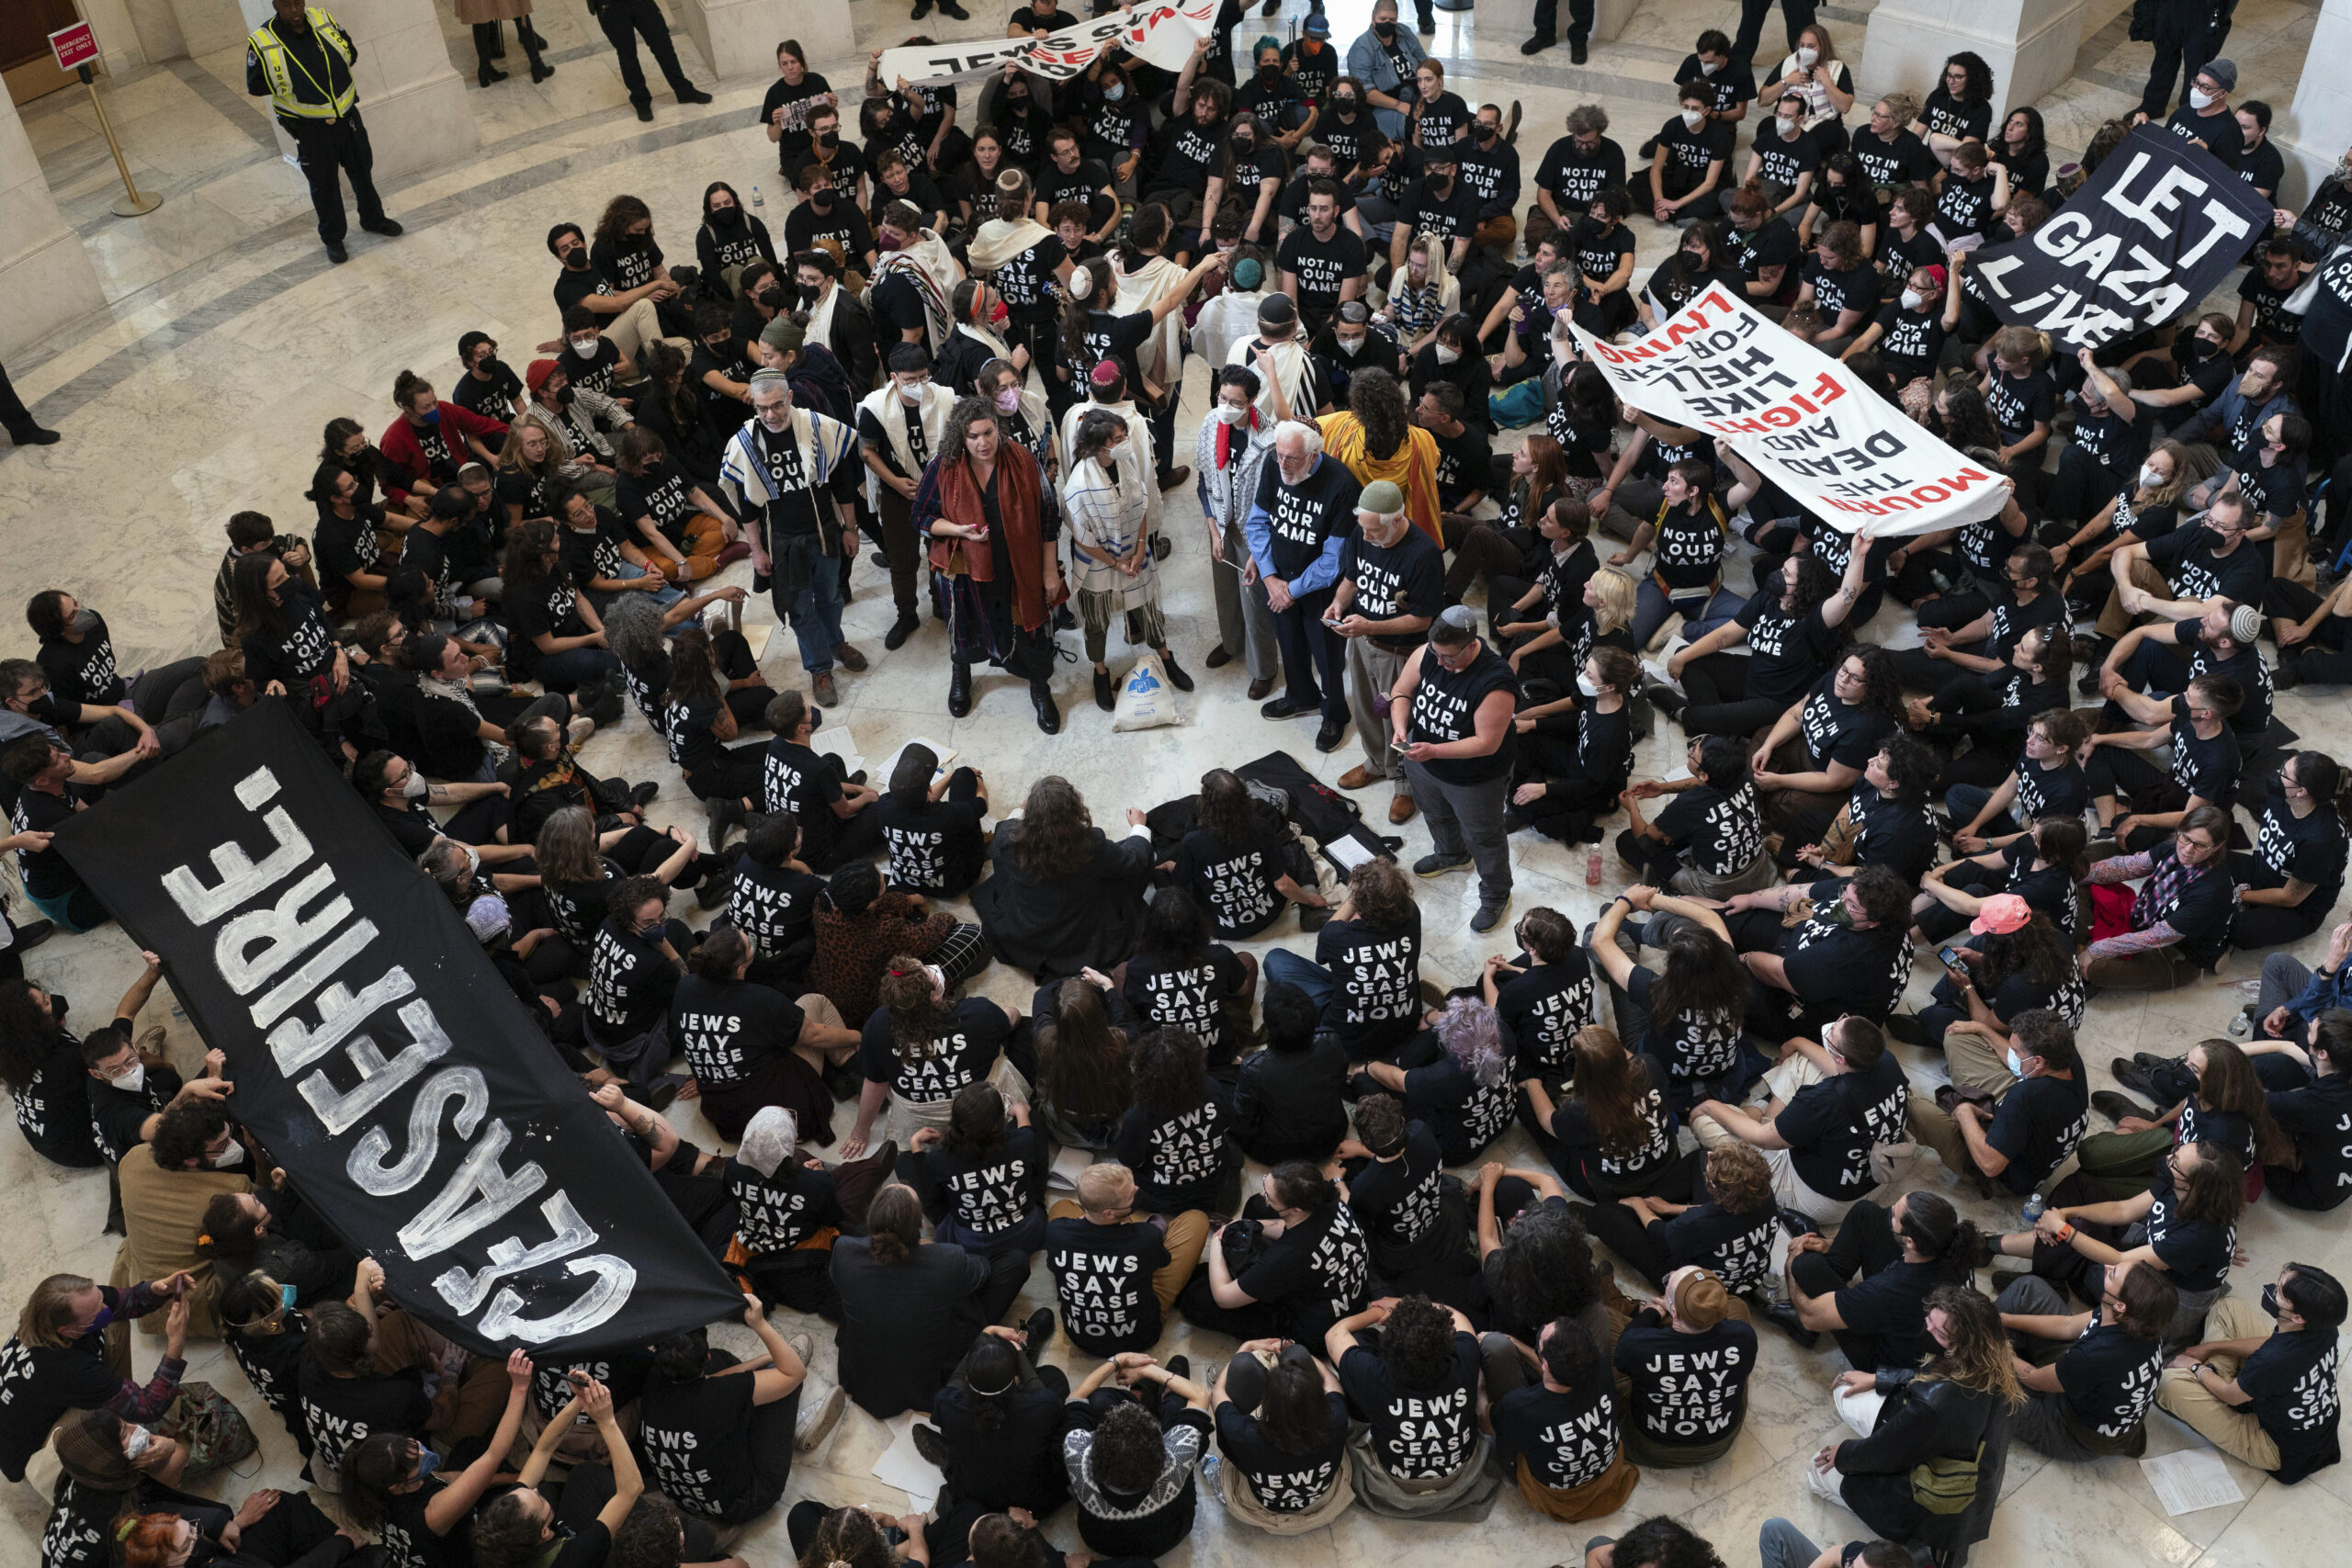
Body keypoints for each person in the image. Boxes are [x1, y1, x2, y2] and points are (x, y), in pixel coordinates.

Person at [1804, 1286, 2019, 1561]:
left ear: (1962, 1345)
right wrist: (1879, 1378)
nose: (1928, 1330)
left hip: (1926, 1498)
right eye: (1930, 1319)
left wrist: (1844, 1454)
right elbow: (1932, 1378)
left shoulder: (1935, 1406)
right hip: (1969, 1476)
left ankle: (1901, 1540)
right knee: (1852, 1395)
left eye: (1940, 1333)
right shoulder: (1993, 1362)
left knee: (1817, 1468)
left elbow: (1885, 1453)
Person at [1985, 1140, 2244, 1350]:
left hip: (2168, 1299)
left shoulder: (2196, 1234)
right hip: (2151, 1248)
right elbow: (2124, 1210)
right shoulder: (2181, 1186)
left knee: (2088, 1259)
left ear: (2192, 1186)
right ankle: (2014, 1255)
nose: (2168, 1159)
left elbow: (2119, 1260)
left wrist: (2062, 1229)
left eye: (2175, 1161)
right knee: (2082, 1196)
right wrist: (2064, 1213)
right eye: (2176, 1151)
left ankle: (1991, 1247)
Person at [916, 397, 1067, 731]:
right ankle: (962, 674)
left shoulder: (1022, 460)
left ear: (998, 429)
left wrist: (1047, 571)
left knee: (1031, 630)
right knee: (966, 627)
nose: (982, 443)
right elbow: (921, 517)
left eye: (988, 433)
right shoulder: (944, 464)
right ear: (961, 437)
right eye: (973, 436)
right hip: (966, 570)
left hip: (1018, 566)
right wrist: (959, 532)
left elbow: (1048, 516)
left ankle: (1039, 687)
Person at [720, 372, 867, 708]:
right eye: (762, 409)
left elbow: (843, 484)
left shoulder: (819, 428)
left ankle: (835, 641)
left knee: (831, 597)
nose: (770, 415)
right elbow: (748, 506)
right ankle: (819, 668)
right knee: (800, 608)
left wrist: (851, 528)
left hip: (824, 531)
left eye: (776, 405)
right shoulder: (745, 444)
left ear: (789, 398)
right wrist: (756, 551)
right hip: (783, 541)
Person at [832, 1184, 1032, 1418]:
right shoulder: (947, 1258)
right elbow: (984, 1270)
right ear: (920, 1225)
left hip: (863, 1375)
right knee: (1015, 1262)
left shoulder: (843, 1250)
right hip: (931, 1373)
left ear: (871, 1221)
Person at [1691, 1012, 1911, 1224]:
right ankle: (1772, 1118)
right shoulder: (1886, 1061)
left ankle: (1766, 1115)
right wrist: (1797, 1042)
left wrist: (1710, 1106)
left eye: (1834, 1031)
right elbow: (1837, 1071)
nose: (1832, 1026)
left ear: (1842, 1058)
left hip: (1822, 1199)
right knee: (1802, 1061)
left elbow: (1759, 1137)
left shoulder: (1822, 1100)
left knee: (1706, 1122)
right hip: (1874, 1177)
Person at [1389, 605, 1521, 932]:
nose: (1439, 663)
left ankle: (1495, 894)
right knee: (1435, 815)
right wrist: (1400, 726)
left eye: (1448, 657)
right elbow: (1401, 691)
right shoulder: (1428, 654)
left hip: (1475, 779)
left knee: (1484, 836)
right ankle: (1451, 855)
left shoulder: (1496, 681)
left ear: (1472, 645)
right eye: (1436, 654)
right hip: (1424, 763)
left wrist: (1433, 750)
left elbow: (1486, 742)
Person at [637, 1295, 820, 1527]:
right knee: (784, 1384)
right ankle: (795, 1423)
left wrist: (761, 1362)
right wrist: (760, 1325)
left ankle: (766, 1385)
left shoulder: (653, 1378)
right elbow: (795, 1372)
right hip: (744, 1502)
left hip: (681, 1499)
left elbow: (713, 1382)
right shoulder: (724, 1394)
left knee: (725, 1361)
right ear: (706, 1356)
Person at [243, 2, 402, 264]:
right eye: (287, 5)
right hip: (311, 128)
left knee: (362, 169)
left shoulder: (320, 19)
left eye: (298, 3)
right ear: (275, 6)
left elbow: (349, 50)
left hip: (347, 117)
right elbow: (255, 85)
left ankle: (374, 219)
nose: (295, 10)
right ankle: (333, 239)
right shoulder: (263, 41)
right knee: (324, 184)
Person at [2155, 1261, 2344, 1482]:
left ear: (2298, 1318)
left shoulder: (2273, 1361)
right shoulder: (2325, 1330)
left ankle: (2213, 1379)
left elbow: (2232, 1396)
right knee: (2227, 1308)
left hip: (2277, 1448)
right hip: (2310, 1429)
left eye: (2280, 1292)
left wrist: (2195, 1367)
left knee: (2166, 1384)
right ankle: (2217, 1374)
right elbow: (2270, 1344)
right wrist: (2210, 1347)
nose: (2274, 1290)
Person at [0, 1271, 194, 1483]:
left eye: (100, 1301)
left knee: (115, 1325)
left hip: (39, 1403)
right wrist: (176, 1342)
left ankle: (119, 1402)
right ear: (67, 1329)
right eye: (95, 1313)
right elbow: (150, 1407)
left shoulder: (47, 1314)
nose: (106, 1309)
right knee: (147, 1452)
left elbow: (125, 1300)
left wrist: (156, 1290)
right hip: (34, 1449)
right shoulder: (66, 1368)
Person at [1246, 419, 1364, 752]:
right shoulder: (1274, 466)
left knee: (1327, 654)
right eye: (1279, 455)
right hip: (1279, 579)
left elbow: (1333, 560)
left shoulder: (1341, 484)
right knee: (1290, 643)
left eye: (1292, 458)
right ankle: (1300, 696)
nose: (1283, 465)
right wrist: (1270, 578)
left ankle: (1335, 712)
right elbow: (1257, 522)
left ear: (1313, 455)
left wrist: (1291, 591)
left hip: (1321, 589)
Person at [1330, 480, 1443, 827]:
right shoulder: (1361, 533)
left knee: (1401, 720)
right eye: (1363, 528)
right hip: (1363, 640)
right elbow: (1353, 578)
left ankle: (1406, 784)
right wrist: (1338, 603)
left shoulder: (1424, 553)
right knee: (1365, 707)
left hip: (1401, 652)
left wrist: (1369, 627)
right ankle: (1376, 763)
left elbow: (1422, 618)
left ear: (1398, 519)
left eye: (1374, 530)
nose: (1366, 538)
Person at [1064, 410, 1190, 708]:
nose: (1125, 443)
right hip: (1098, 560)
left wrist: (1141, 546)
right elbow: (1083, 537)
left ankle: (1165, 656)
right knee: (1097, 618)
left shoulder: (1125, 462)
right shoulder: (1080, 483)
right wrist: (1115, 562)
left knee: (1148, 606)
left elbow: (1141, 504)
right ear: (1098, 447)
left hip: (1134, 549)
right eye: (1118, 439)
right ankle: (1100, 670)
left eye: (1124, 437)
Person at [1329, 1293, 1497, 1517]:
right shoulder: (1465, 1357)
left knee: (1360, 1341)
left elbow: (1336, 1333)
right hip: (1460, 1473)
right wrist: (1401, 1304)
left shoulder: (1372, 1376)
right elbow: (1457, 1315)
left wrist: (1379, 1312)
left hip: (1394, 1481)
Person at [971, 776, 1154, 981]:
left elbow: (1005, 831)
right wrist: (1139, 828)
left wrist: (1021, 810)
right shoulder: (1090, 843)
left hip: (1024, 931)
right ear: (1075, 809)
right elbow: (1134, 861)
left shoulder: (1008, 836)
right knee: (1122, 871)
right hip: (1078, 935)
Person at [1995, 1256, 2175, 1461]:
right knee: (2028, 1288)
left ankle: (1974, 1339)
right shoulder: (2138, 1320)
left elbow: (2035, 1379)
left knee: (1988, 1382)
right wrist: (2004, 1319)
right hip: (2085, 1389)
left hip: (2072, 1432)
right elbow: (2067, 1326)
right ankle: (1994, 1334)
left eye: (2112, 1274)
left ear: (2120, 1305)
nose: (2107, 1267)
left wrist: (1997, 1348)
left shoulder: (2097, 1356)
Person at [1772, 1190, 1979, 1365]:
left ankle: (1810, 1316)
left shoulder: (1887, 1290)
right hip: (1903, 1315)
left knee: (1805, 1265)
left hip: (1878, 1357)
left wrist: (1792, 1261)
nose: (1889, 1211)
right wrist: (1832, 1244)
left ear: (1910, 1243)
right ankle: (1832, 1284)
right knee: (1867, 1213)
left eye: (1894, 1215)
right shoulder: (1948, 1245)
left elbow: (1811, 1319)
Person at [1907, 1005, 2090, 1199]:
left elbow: (1990, 1166)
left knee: (1915, 1110)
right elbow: (2021, 1068)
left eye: (2016, 1051)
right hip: (2025, 1130)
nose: (2011, 1052)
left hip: (2000, 1176)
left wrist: (1965, 1112)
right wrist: (1982, 1029)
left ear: (2038, 1061)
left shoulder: (2025, 1097)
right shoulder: (2065, 1057)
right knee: (1956, 1035)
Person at [847, 962, 1024, 1158]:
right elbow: (1011, 1020)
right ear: (934, 996)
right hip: (979, 1108)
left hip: (918, 1123)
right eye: (927, 971)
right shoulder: (979, 1013)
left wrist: (860, 1131)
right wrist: (1012, 1011)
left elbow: (875, 1083)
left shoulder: (877, 1025)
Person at [1262, 857, 1422, 1061]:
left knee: (1275, 959)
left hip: (1348, 1042)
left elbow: (1322, 954)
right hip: (1405, 1032)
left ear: (1359, 904)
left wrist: (1354, 897)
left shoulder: (1335, 935)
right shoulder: (1412, 914)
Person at [1058, 1352, 1215, 1559]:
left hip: (1101, 1543)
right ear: (1162, 1455)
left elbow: (1075, 1397)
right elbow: (1200, 1395)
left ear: (1094, 1450)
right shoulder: (1176, 1461)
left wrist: (1117, 1360)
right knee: (1178, 1402)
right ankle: (1158, 1398)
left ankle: (1141, 1399)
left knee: (1099, 1399)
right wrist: (1146, 1369)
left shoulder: (1077, 1456)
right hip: (1169, 1536)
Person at [1044, 1162, 1207, 1359]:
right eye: (1131, 1195)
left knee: (1061, 1206)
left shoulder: (1057, 1232)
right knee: (1197, 1219)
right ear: (1109, 1213)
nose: (1138, 1191)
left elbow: (1054, 1265)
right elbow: (1162, 1262)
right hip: (1140, 1337)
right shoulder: (1147, 1237)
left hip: (1080, 1337)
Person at [1480, 1315, 1638, 1519]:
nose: (1544, 1326)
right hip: (1606, 1473)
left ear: (1545, 1364)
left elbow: (1486, 1426)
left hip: (1555, 1495)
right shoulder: (1599, 1365)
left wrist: (1480, 1385)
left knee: (1495, 1350)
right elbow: (1557, 1373)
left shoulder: (1520, 1406)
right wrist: (1516, 1343)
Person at [1583, 1142, 1778, 1299]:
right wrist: (1669, 1207)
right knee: (1698, 1157)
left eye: (1712, 1168)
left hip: (1698, 1286)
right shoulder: (1764, 1196)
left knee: (1601, 1215)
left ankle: (1620, 1211)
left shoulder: (1695, 1223)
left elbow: (1659, 1232)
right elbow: (1719, 1212)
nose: (1711, 1156)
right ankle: (1642, 1206)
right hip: (1750, 1274)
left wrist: (1637, 1203)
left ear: (1718, 1192)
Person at [1521, 1025, 1687, 1201]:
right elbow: (1632, 1059)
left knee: (1530, 1108)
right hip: (1668, 1165)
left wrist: (1532, 1084)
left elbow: (1548, 1122)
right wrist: (1604, 1043)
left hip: (1617, 1190)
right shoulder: (1649, 1067)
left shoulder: (1578, 1110)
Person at [1613, 1267, 1758, 1465]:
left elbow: (1623, 1352)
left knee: (1610, 1324)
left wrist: (1654, 1312)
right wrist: (1703, 1314)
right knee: (1738, 1306)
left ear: (1673, 1311)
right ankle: (1695, 1323)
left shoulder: (1639, 1346)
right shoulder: (1744, 1336)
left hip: (1650, 1447)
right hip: (1719, 1443)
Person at [1196, 367, 1283, 699]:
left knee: (1255, 601)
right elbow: (1204, 481)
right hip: (1220, 521)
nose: (1227, 406)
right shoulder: (1211, 423)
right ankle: (1232, 643)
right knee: (1225, 592)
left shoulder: (1269, 442)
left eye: (1235, 402)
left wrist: (1261, 556)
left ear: (1252, 401)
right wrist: (1215, 532)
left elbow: (1275, 504)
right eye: (1222, 398)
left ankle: (1263, 668)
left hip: (1255, 531)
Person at [1211, 1340, 1354, 1531]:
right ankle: (1297, 1356)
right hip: (1320, 1498)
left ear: (1266, 1405)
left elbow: (1217, 1393)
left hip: (1262, 1502)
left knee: (1241, 1366)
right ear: (1317, 1399)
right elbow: (1330, 1380)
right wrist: (1297, 1350)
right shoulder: (1335, 1418)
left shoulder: (1245, 1434)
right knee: (1298, 1354)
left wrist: (1246, 1347)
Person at [1170, 769, 1328, 939]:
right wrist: (1311, 900)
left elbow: (1180, 881)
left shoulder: (1193, 841)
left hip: (1222, 927)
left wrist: (1174, 867)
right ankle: (1308, 898)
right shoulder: (1261, 827)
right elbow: (1282, 884)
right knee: (1291, 842)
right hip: (1269, 912)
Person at [1125, 889, 1258, 1074]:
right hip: (1219, 1054)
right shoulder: (1219, 955)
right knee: (1247, 961)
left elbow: (1138, 1009)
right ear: (1197, 923)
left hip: (1167, 1056)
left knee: (1120, 973)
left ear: (1150, 927)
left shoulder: (1137, 966)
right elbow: (1242, 992)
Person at [1231, 982, 1351, 1164]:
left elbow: (1243, 1119)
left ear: (1270, 1027)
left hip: (1278, 1152)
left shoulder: (1254, 1068)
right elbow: (1340, 1081)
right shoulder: (1331, 1041)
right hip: (1332, 1137)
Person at [592, 0, 710, 121]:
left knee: (662, 43)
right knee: (627, 53)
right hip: (610, 6)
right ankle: (641, 101)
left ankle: (684, 91)